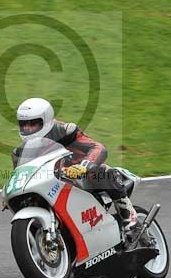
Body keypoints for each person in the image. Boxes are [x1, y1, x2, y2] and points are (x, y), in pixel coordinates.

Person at [12, 97, 138, 234]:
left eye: (33, 123)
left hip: (79, 176)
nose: (27, 128)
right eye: (23, 124)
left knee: (100, 172)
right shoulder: (19, 153)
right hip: (50, 184)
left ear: (46, 120)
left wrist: (84, 166)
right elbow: (21, 175)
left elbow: (98, 148)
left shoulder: (65, 131)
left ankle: (129, 218)